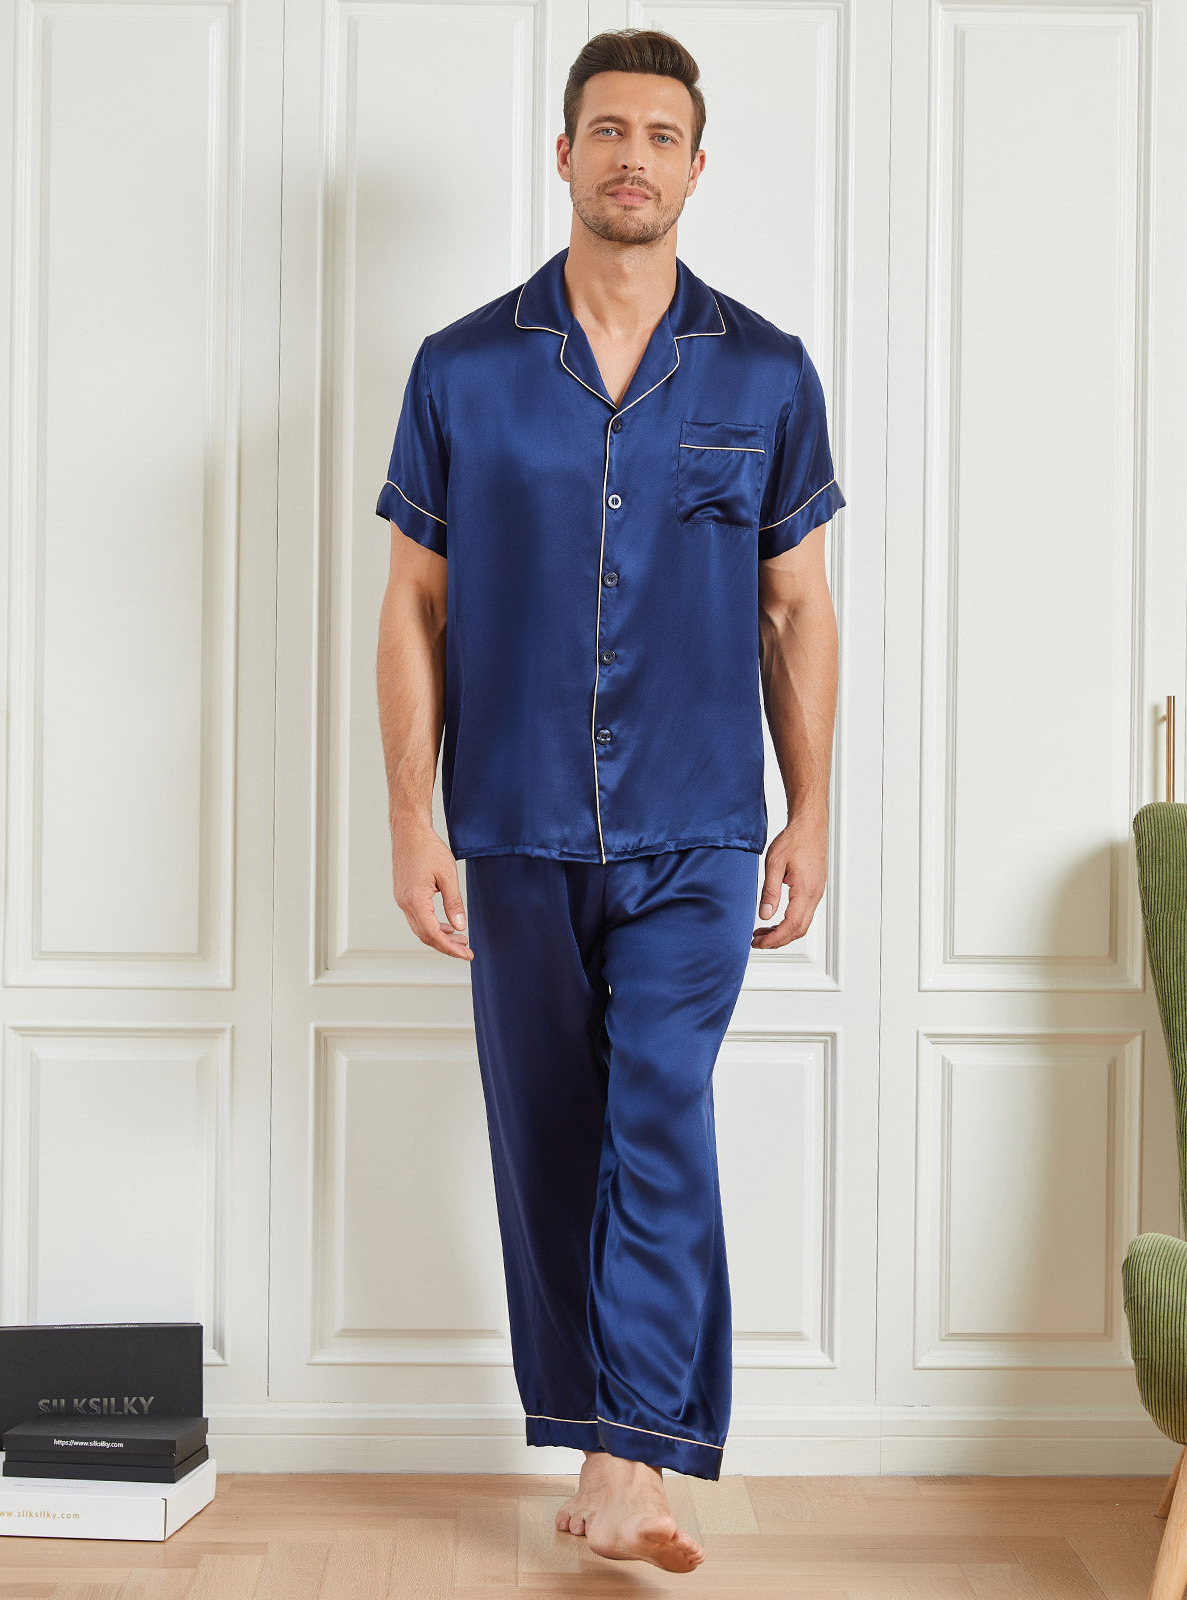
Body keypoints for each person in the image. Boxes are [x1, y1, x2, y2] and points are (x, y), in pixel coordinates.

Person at [375, 25, 844, 1576]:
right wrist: (411, 818)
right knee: (551, 1138)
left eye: (660, 135)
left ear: (697, 167)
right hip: (511, 823)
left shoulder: (767, 370)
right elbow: (413, 605)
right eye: (608, 131)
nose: (633, 157)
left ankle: (631, 1459)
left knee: (657, 1114)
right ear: (564, 154)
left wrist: (812, 810)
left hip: (699, 828)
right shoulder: (462, 368)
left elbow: (796, 608)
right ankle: (602, 1447)